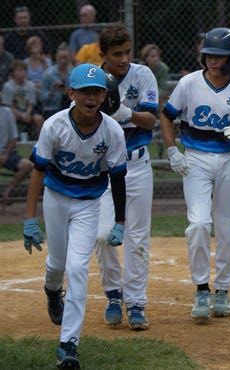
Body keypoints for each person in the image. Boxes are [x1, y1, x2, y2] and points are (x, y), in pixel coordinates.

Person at [22, 63, 127, 370]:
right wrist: (30, 217)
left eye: (96, 92)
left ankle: (68, 345)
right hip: (56, 198)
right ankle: (52, 292)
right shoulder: (55, 126)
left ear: (104, 95)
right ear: (71, 93)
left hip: (89, 202)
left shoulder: (112, 130)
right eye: (84, 92)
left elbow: (118, 178)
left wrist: (119, 222)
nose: (90, 98)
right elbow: (38, 170)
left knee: (78, 268)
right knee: (56, 264)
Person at [160, 27, 230, 323]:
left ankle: (223, 289)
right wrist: (171, 150)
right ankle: (202, 287)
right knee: (199, 222)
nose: (214, 62)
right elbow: (167, 116)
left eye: (220, 56)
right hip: (196, 160)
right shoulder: (189, 82)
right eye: (210, 56)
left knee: (227, 229)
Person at [94, 25, 159, 330]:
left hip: (138, 165)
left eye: (127, 52)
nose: (123, 59)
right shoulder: (91, 78)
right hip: (104, 168)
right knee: (102, 234)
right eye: (116, 54)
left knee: (137, 238)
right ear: (103, 54)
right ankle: (112, 294)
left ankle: (135, 303)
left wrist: (124, 112)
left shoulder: (142, 74)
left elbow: (150, 121)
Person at [2, 60, 44, 140]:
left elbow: (31, 104)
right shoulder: (8, 86)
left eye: (24, 70)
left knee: (38, 119)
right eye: (19, 70)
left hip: (27, 112)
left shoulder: (30, 85)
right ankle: (12, 141)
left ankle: (38, 141)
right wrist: (21, 115)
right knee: (11, 117)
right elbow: (9, 106)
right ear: (13, 73)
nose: (23, 72)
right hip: (14, 112)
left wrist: (27, 114)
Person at [0, 106, 33, 206]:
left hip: (6, 153)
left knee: (27, 165)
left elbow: (13, 137)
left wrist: (5, 154)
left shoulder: (7, 112)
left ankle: (7, 192)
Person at [40, 43, 73, 119]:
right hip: (52, 109)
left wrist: (67, 92)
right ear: (56, 58)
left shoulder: (73, 74)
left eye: (65, 58)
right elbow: (42, 99)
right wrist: (52, 91)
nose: (63, 61)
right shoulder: (48, 74)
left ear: (69, 58)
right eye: (61, 58)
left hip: (70, 108)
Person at [139, 43, 170, 109]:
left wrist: (152, 95)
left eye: (157, 56)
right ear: (145, 58)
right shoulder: (140, 68)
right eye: (152, 56)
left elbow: (163, 87)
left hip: (157, 95)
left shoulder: (163, 68)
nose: (156, 59)